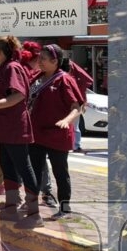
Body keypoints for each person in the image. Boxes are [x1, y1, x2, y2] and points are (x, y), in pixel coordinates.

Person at [0, 35, 41, 216]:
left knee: (23, 165)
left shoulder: (12, 68)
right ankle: (11, 204)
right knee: (6, 165)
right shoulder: (1, 68)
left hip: (14, 127)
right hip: (3, 128)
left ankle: (33, 209)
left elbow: (19, 94)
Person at [26, 43, 84, 219]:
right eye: (39, 58)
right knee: (34, 170)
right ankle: (31, 204)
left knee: (60, 172)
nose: (40, 62)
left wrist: (66, 120)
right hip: (37, 134)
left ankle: (65, 208)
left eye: (43, 59)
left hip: (57, 134)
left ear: (55, 61)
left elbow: (77, 107)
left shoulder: (64, 80)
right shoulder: (37, 77)